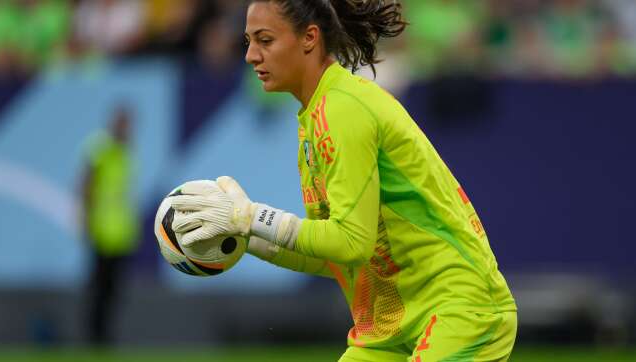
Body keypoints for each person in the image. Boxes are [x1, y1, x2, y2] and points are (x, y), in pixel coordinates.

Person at [168, 1, 517, 361]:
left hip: (457, 309)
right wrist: (248, 239)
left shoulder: (344, 108)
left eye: (265, 40)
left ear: (309, 38)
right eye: (248, 42)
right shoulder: (315, 119)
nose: (251, 56)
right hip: (391, 323)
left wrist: (253, 217)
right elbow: (336, 257)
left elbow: (352, 244)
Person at [81, 106, 141, 345]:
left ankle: (105, 336)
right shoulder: (100, 149)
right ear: (114, 123)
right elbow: (86, 185)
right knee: (99, 288)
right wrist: (86, 219)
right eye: (123, 123)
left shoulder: (127, 152)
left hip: (121, 232)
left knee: (115, 290)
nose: (127, 129)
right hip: (102, 229)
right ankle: (94, 336)